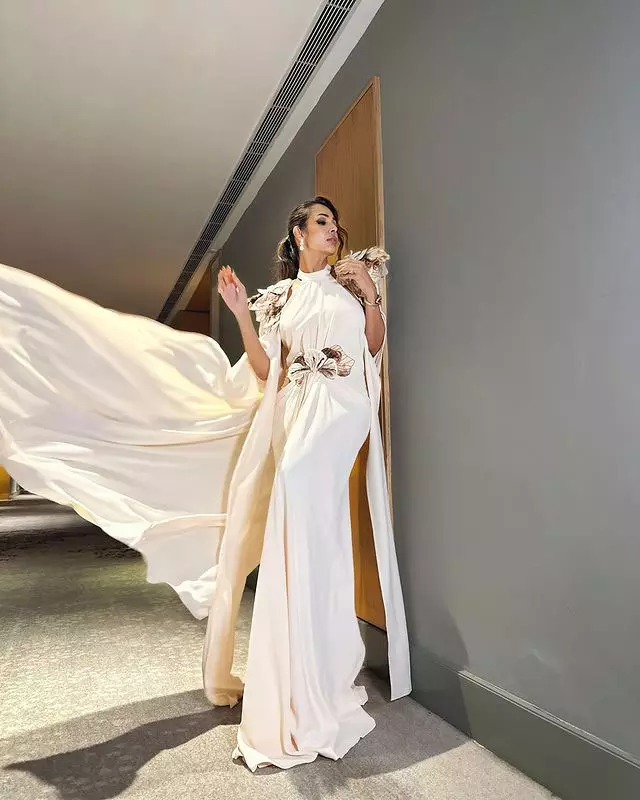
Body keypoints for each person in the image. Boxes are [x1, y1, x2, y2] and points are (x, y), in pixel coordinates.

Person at [0, 196, 410, 770]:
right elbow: (267, 371)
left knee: (297, 497)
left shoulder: (353, 278)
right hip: (295, 410)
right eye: (321, 221)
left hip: (341, 409)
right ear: (298, 234)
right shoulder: (282, 298)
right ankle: (306, 666)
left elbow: (373, 345)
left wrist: (368, 292)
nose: (333, 229)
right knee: (303, 529)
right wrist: (241, 313)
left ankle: (310, 666)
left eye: (334, 223)